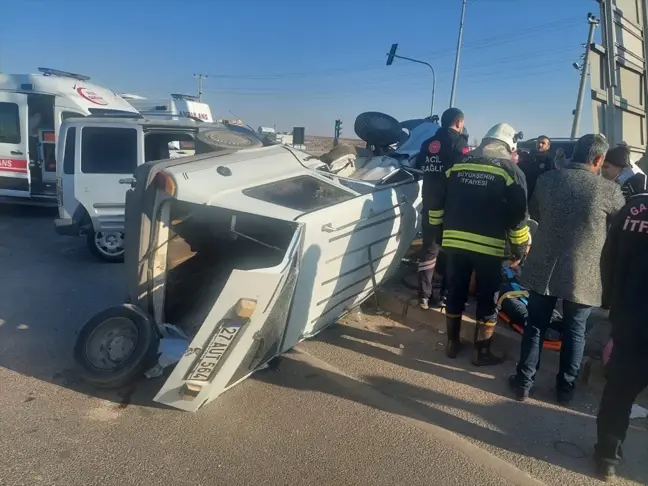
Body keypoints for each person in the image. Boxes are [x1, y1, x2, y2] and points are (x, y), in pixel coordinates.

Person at [509, 134, 626, 404]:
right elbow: (618, 227)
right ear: (598, 160)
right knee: (575, 330)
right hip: (583, 271)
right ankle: (565, 390)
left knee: (535, 325)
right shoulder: (608, 190)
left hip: (544, 265)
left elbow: (535, 213)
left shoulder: (547, 180)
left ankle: (523, 383)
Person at [440, 123, 529, 366]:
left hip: (454, 243)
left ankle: (451, 344)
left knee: (456, 291)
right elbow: (519, 215)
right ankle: (481, 353)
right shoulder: (511, 170)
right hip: (489, 248)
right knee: (488, 297)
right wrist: (520, 247)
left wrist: (440, 235)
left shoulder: (457, 164)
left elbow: (438, 201)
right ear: (509, 146)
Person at [594, 192, 648, 481]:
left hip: (631, 317)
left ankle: (607, 457)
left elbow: (609, 257)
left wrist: (611, 302)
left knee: (619, 393)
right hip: (632, 317)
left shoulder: (634, 211)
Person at [415, 108, 469, 309]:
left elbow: (421, 165)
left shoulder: (427, 144)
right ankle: (444, 296)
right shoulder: (459, 144)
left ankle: (423, 296)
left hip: (429, 205)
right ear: (459, 123)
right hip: (450, 208)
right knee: (450, 251)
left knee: (428, 251)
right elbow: (464, 173)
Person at [517, 136, 556, 211]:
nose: (540, 145)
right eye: (539, 142)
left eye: (543, 143)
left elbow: (551, 177)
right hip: (524, 194)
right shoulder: (528, 157)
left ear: (548, 147)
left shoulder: (548, 160)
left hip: (539, 197)